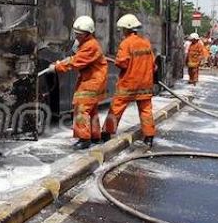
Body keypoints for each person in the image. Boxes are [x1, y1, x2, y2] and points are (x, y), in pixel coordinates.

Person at [49, 16, 107, 150]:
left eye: (79, 34)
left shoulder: (90, 46)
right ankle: (95, 136)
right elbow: (77, 58)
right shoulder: (88, 44)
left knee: (81, 108)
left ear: (88, 33)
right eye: (75, 33)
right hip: (94, 79)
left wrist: (57, 67)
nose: (76, 36)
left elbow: (76, 62)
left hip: (92, 81)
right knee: (91, 110)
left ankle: (84, 139)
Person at [102, 14, 156, 149]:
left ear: (127, 29)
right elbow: (153, 64)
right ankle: (149, 137)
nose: (121, 32)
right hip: (145, 84)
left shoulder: (126, 43)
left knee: (116, 108)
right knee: (146, 111)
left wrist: (116, 60)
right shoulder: (146, 43)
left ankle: (106, 133)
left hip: (129, 84)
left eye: (122, 29)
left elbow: (122, 63)